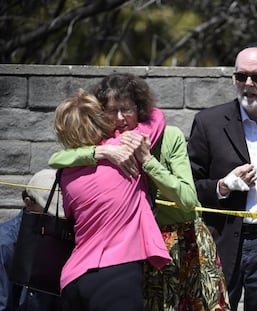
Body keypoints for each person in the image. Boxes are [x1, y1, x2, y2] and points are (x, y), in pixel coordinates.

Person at [49, 73, 230, 311]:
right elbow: (57, 158)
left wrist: (148, 162)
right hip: (133, 256)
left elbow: (188, 200)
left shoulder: (165, 137)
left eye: (127, 109)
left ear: (140, 107)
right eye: (112, 111)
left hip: (179, 244)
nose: (121, 118)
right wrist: (100, 153)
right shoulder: (108, 145)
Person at [187, 43, 257, 311]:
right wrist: (223, 186)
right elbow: (189, 183)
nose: (248, 83)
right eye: (241, 76)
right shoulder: (209, 122)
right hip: (222, 237)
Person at [53, 89, 171, 311]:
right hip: (116, 275)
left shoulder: (66, 174)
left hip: (72, 279)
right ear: (101, 120)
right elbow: (157, 116)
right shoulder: (125, 149)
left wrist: (98, 152)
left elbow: (70, 213)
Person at [0, 169, 63, 311]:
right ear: (28, 203)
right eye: (50, 214)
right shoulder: (4, 244)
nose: (57, 220)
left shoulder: (58, 238)